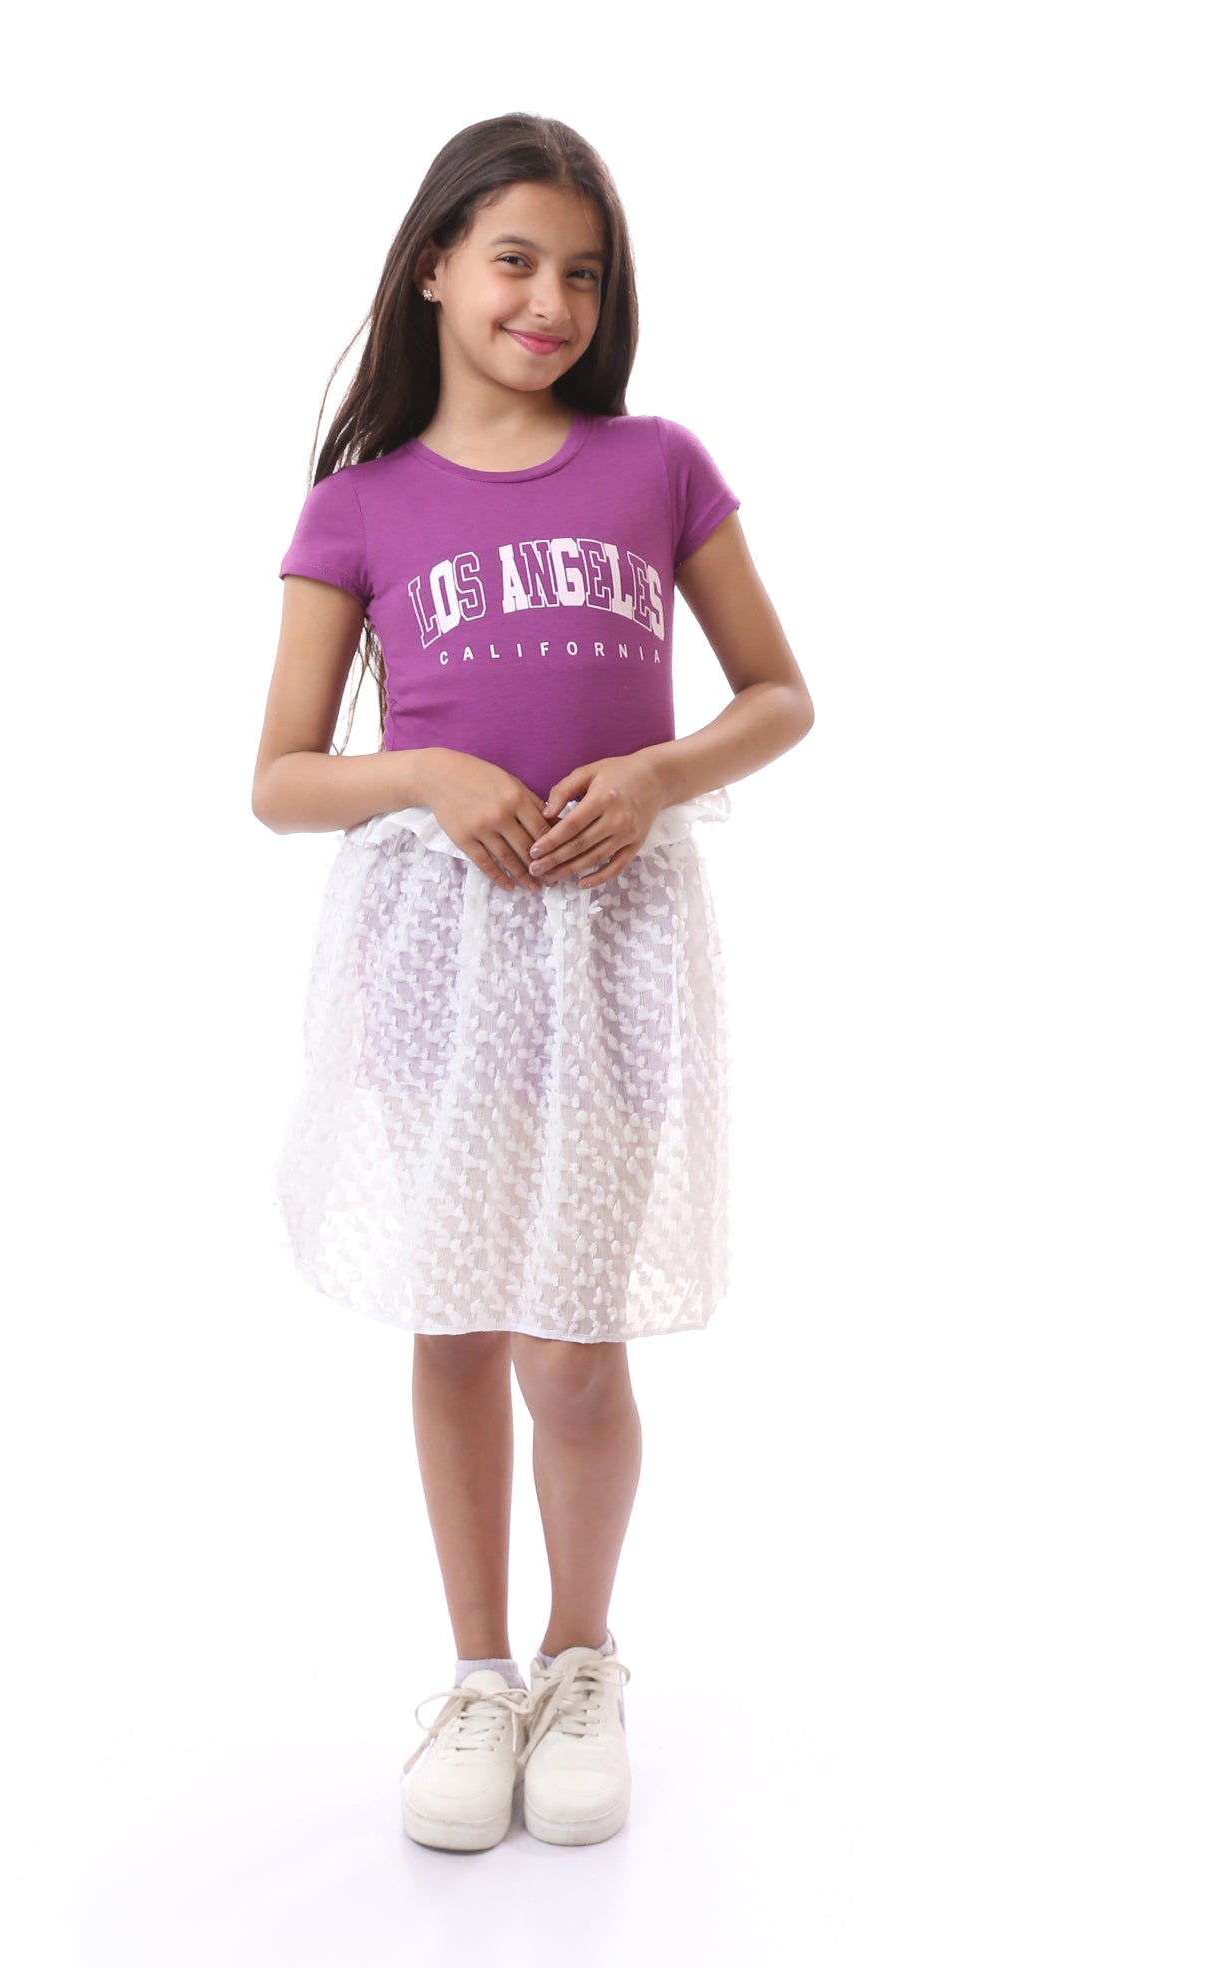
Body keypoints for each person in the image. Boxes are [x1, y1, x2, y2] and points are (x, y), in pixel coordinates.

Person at [252, 113, 814, 1852]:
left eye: (582, 271)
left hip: (613, 945)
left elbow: (779, 695)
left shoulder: (656, 466)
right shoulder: (360, 506)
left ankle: (584, 1659)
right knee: (459, 1319)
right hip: (442, 951)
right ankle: (480, 1675)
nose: (549, 300)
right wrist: (425, 774)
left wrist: (658, 774)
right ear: (434, 265)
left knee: (572, 1343)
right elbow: (280, 778)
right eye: (514, 260)